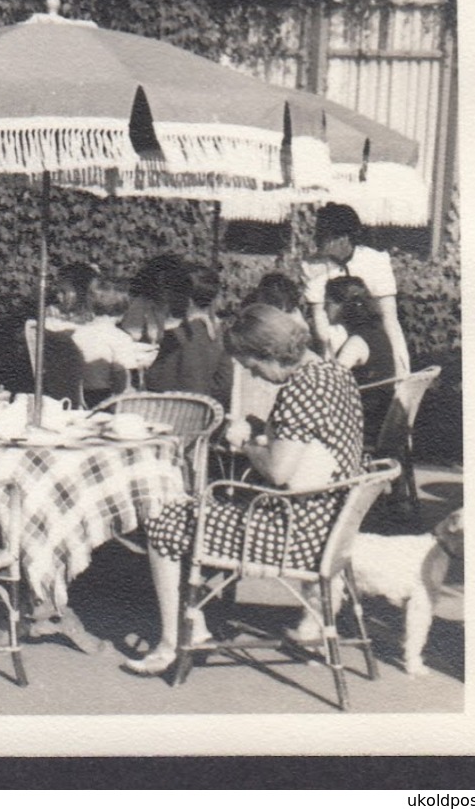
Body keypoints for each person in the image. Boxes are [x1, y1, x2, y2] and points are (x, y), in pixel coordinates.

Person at [123, 304, 364, 676]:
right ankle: (195, 624)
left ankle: (174, 640)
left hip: (292, 534)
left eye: (253, 367)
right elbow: (309, 448)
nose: (256, 376)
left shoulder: (301, 388)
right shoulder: (334, 374)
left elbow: (279, 471)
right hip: (329, 525)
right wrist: (266, 433)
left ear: (270, 354)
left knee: (163, 518)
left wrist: (244, 443)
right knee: (194, 510)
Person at [301, 202, 411, 374]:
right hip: (335, 336)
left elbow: (390, 318)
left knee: (358, 352)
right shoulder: (313, 266)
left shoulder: (374, 261)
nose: (317, 241)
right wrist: (325, 356)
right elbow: (319, 318)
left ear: (344, 238)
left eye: (324, 236)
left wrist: (402, 368)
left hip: (371, 336)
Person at [145, 263, 232, 407]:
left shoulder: (176, 336)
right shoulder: (221, 335)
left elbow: (155, 382)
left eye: (171, 294)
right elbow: (225, 383)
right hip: (208, 417)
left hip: (170, 416)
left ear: (186, 299)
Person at [324, 275, 398, 443]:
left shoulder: (357, 342)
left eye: (327, 303)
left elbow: (329, 382)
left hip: (362, 423)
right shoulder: (376, 333)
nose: (324, 310)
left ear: (343, 305)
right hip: (377, 414)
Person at [70, 275, 158, 406]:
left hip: (80, 398)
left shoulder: (77, 333)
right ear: (125, 309)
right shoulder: (120, 338)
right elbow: (122, 380)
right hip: (104, 401)